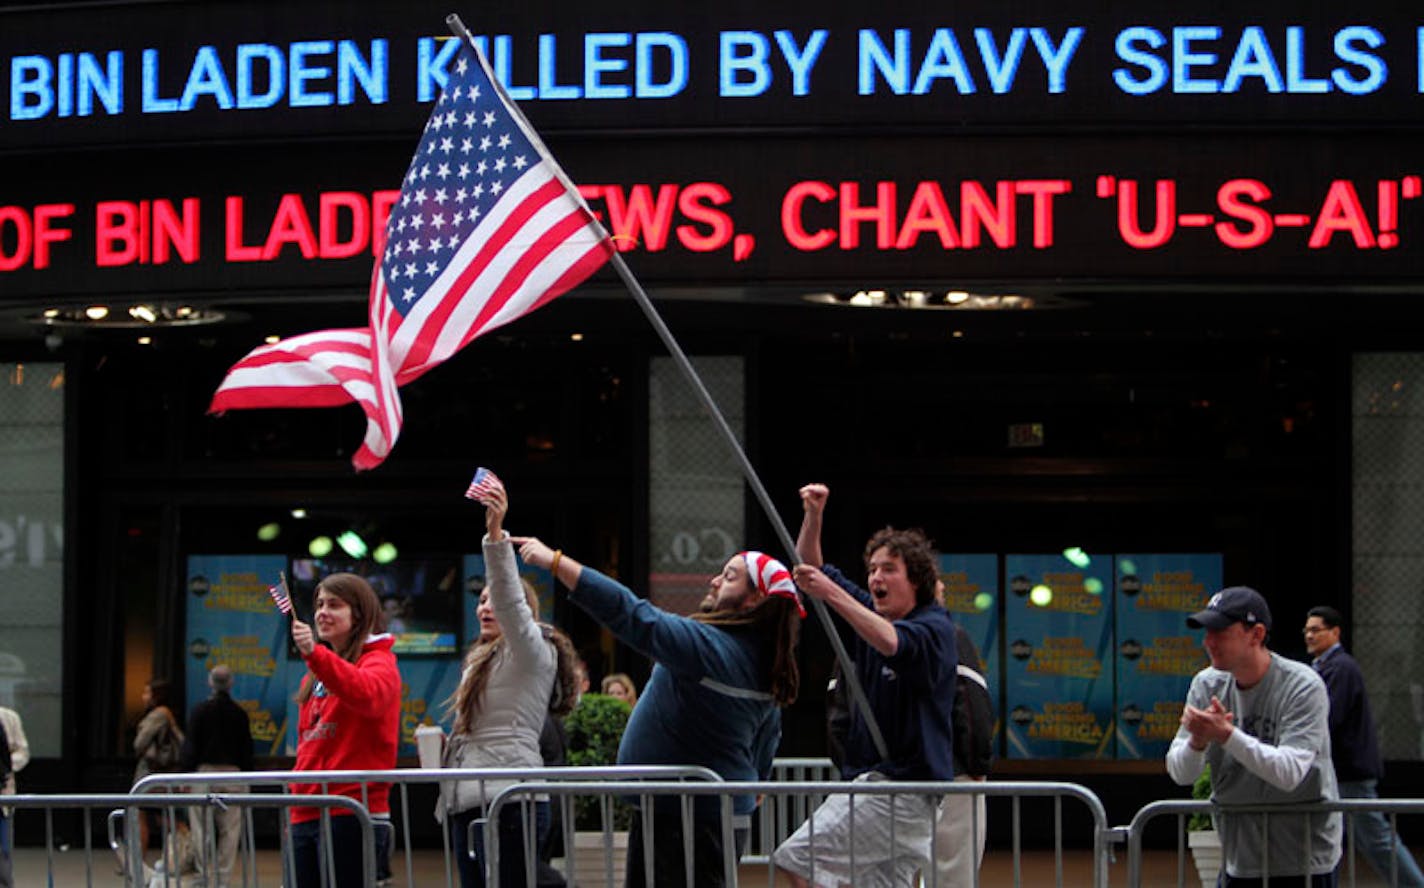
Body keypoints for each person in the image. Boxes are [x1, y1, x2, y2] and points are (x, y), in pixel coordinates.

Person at [514, 535, 803, 888]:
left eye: (728, 576)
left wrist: (555, 561)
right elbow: (768, 733)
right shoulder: (760, 661)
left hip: (685, 818)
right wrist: (756, 773)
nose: (714, 580)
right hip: (686, 812)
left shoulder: (710, 649)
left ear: (755, 600)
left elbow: (634, 615)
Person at [773, 482, 958, 888]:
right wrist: (814, 515)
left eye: (888, 569)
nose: (876, 576)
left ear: (918, 580)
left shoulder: (933, 628)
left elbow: (893, 644)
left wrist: (832, 594)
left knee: (797, 858)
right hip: (887, 787)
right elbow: (812, 570)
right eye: (872, 569)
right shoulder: (871, 614)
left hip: (902, 790)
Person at [439, 476, 579, 888]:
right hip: (468, 798)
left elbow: (509, 600)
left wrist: (495, 535)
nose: (486, 607)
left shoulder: (533, 648)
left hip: (510, 800)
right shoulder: (481, 660)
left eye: (493, 600)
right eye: (480, 600)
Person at [1167, 586, 1341, 887]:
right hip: (1239, 859)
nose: (1208, 642)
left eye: (1220, 631)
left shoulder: (1302, 685)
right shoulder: (1207, 684)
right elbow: (1181, 773)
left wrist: (1226, 735)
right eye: (1206, 631)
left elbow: (1289, 773)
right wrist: (1197, 742)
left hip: (1304, 859)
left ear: (1256, 634)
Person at [287, 572, 401, 888]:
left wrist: (315, 655)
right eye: (319, 604)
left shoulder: (380, 662)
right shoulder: (313, 676)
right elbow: (306, 747)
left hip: (352, 812)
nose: (322, 612)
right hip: (305, 814)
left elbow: (368, 696)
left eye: (334, 605)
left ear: (359, 614)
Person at [1304, 605, 1424, 887]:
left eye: (1316, 630)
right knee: (1328, 838)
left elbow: (1328, 718)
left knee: (1376, 839)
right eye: (1306, 630)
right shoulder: (1326, 667)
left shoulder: (1340, 668)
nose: (1309, 635)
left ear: (1335, 632)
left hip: (1349, 773)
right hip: (1340, 772)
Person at [180, 664, 253, 888]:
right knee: (230, 831)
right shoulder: (239, 714)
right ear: (230, 684)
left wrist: (185, 776)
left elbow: (190, 746)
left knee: (201, 828)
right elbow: (246, 750)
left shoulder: (199, 711)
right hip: (233, 775)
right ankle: (222, 879)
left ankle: (204, 875)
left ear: (210, 682)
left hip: (204, 774)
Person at [132, 678, 185, 863]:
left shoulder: (158, 715)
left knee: (145, 815)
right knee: (163, 815)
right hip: (165, 772)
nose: (144, 696)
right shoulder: (169, 714)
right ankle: (177, 852)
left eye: (147, 693)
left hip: (152, 772)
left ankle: (138, 860)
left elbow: (140, 743)